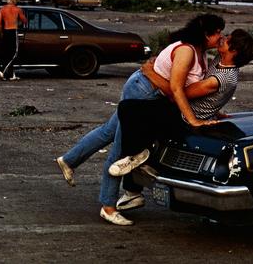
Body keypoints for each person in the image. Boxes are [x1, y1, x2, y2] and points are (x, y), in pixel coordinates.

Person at [56, 14, 225, 226]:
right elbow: (176, 89)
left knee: (109, 131)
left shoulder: (200, 53)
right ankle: (108, 206)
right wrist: (193, 120)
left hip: (146, 88)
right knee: (120, 149)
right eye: (217, 32)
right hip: (144, 92)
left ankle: (69, 160)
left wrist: (213, 112)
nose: (221, 36)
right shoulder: (187, 51)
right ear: (205, 34)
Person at [110, 28, 253, 177]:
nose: (223, 38)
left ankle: (135, 156)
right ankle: (135, 184)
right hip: (184, 109)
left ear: (234, 51)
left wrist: (150, 73)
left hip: (182, 116)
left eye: (228, 39)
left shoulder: (221, 79)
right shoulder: (220, 61)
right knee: (133, 119)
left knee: (128, 108)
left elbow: (178, 93)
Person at [0, 0, 28, 80]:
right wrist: (19, 21)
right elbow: (25, 21)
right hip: (13, 31)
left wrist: (1, 32)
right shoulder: (18, 9)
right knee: (14, 54)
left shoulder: (2, 9)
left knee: (7, 53)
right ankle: (1, 70)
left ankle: (11, 75)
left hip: (5, 32)